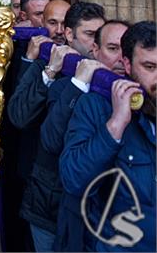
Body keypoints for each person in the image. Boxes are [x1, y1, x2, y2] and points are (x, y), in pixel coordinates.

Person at [8, 2, 105, 252]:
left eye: (99, 35)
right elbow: (20, 115)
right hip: (46, 194)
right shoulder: (45, 63)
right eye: (90, 35)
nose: (96, 43)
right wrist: (51, 72)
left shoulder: (106, 75)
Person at [60, 21, 156, 253]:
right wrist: (115, 125)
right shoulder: (96, 107)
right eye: (150, 67)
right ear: (127, 64)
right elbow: (73, 179)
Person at [40, 20, 131, 252]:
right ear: (95, 50)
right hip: (68, 215)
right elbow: (51, 141)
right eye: (112, 49)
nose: (121, 58)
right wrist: (79, 84)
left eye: (126, 51)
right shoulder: (67, 87)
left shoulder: (142, 99)